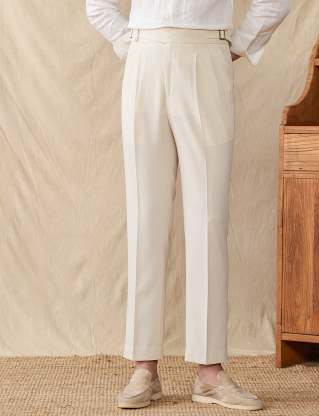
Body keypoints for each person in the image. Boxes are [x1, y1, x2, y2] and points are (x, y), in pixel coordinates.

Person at [85, 0, 290, 411]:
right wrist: (130, 43)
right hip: (145, 56)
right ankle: (144, 366)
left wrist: (239, 43)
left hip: (206, 53)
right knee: (145, 216)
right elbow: (97, 4)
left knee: (209, 217)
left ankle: (210, 372)